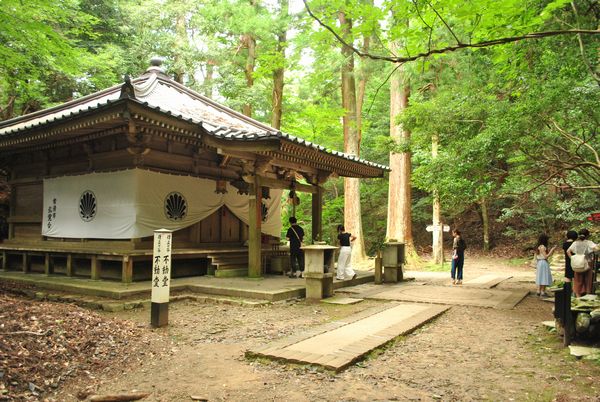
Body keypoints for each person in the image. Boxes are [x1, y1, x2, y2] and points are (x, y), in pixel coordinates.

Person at [567, 229, 598, 297]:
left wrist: (572, 258)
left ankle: (578, 296)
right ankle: (587, 296)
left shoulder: (575, 243)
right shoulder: (589, 242)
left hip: (578, 262)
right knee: (588, 279)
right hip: (588, 262)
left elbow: (568, 251)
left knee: (578, 280)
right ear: (587, 235)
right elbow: (596, 249)